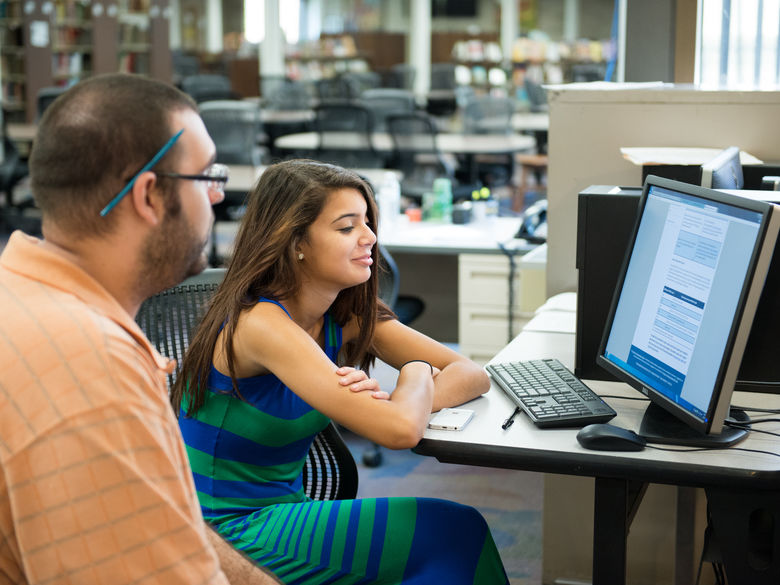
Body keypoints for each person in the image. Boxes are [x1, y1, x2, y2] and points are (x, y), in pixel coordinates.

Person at [172, 159, 509, 584]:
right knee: (453, 532)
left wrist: (400, 402)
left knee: (448, 539)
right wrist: (417, 375)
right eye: (346, 227)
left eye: (367, 223)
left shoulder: (340, 316)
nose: (369, 238)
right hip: (224, 531)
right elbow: (401, 432)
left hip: (284, 509)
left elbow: (470, 373)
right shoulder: (261, 324)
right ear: (296, 242)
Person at [0, 74, 280, 584]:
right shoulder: (90, 366)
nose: (217, 196)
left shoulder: (18, 292)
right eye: (206, 176)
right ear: (149, 196)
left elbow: (166, 533)